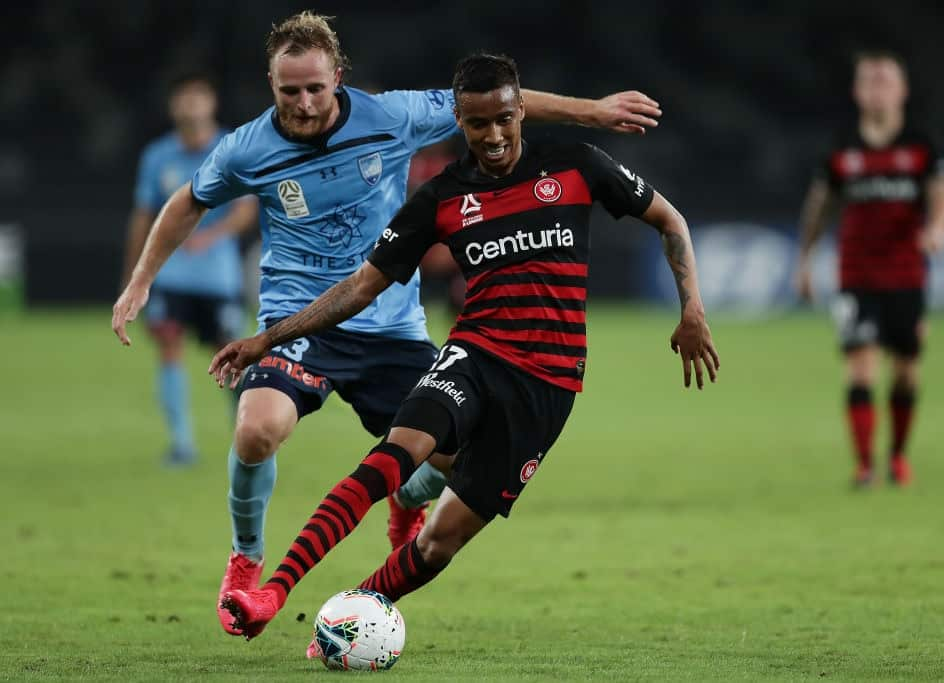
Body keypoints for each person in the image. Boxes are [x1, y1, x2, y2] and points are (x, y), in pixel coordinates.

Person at [110, 12, 665, 635]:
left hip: (393, 329)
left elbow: (492, 102)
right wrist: (141, 279)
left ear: (337, 77)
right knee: (256, 429)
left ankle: (404, 498)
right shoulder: (247, 147)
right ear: (271, 85)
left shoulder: (394, 115)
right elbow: (188, 200)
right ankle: (245, 558)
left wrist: (592, 112)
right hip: (303, 327)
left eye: (315, 87)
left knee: (454, 466)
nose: (303, 102)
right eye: (288, 90)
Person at [209, 52, 719, 643]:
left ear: (521, 110)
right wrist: (267, 338)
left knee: (439, 541)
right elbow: (358, 287)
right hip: (472, 355)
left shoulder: (577, 165)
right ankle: (273, 591)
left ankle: (355, 611)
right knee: (389, 459)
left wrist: (692, 308)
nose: (494, 135)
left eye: (504, 119)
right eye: (478, 124)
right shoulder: (441, 197)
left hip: (547, 385)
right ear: (460, 122)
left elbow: (669, 219)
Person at [794, 49, 944, 487]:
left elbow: (943, 198)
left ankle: (898, 457)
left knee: (905, 372)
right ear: (856, 91)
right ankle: (865, 464)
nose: (877, 89)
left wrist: (939, 230)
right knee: (861, 368)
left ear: (902, 89)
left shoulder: (923, 145)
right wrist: (805, 260)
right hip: (857, 276)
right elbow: (819, 208)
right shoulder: (842, 148)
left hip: (907, 276)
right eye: (869, 80)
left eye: (885, 80)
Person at [122, 72, 258, 466]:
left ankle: (247, 434)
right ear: (173, 106)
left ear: (211, 103)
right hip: (171, 275)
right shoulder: (157, 156)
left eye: (198, 96)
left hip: (218, 277)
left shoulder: (232, 147)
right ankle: (182, 443)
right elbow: (143, 215)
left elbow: (246, 210)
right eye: (183, 97)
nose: (190, 105)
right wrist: (134, 276)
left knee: (231, 355)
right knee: (169, 344)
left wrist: (209, 235)